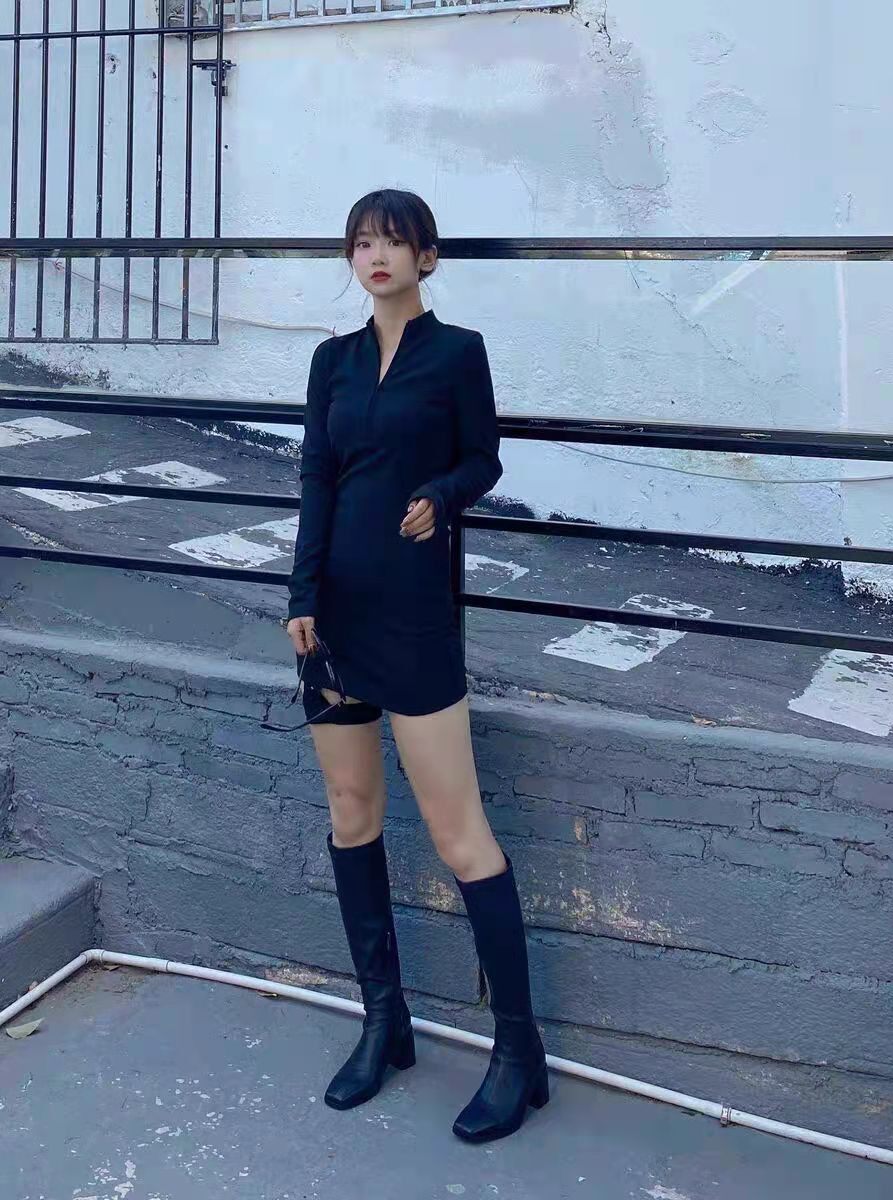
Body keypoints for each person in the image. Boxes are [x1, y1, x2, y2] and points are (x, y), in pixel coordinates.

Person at [284, 188, 548, 1143]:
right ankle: (384, 1023)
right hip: (336, 618)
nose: (377, 255)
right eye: (362, 242)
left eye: (394, 241)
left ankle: (518, 1051)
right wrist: (300, 595)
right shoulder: (333, 360)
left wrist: (442, 491)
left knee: (458, 832)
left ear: (427, 257)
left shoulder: (457, 352)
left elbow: (485, 459)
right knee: (351, 814)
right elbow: (317, 476)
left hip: (416, 617)